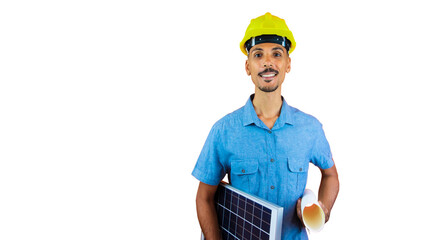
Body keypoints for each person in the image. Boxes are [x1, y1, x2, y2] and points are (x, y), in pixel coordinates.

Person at [192, 12, 339, 240]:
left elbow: (330, 176)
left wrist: (324, 209)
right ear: (248, 66)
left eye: (277, 54)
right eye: (258, 55)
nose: (268, 62)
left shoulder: (310, 129)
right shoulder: (224, 131)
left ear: (288, 64)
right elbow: (204, 197)